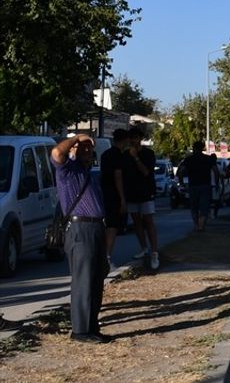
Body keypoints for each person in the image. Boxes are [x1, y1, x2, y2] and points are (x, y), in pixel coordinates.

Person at [50, 133, 111, 343]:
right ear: (74, 149)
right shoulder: (67, 170)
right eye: (82, 147)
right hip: (79, 228)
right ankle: (80, 330)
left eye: (90, 148)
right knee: (83, 281)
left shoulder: (89, 174)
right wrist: (77, 137)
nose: (87, 150)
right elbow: (57, 152)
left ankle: (91, 326)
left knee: (96, 280)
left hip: (95, 228)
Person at [119, 127, 160, 270]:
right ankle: (144, 248)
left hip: (146, 192)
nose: (133, 141)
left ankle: (154, 252)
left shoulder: (148, 153)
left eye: (135, 138)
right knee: (136, 222)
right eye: (131, 138)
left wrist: (136, 157)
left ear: (140, 139)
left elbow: (146, 172)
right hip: (131, 193)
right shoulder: (124, 156)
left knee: (148, 221)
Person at [98, 129, 130, 269]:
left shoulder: (105, 154)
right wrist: (122, 198)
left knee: (108, 226)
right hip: (114, 194)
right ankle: (107, 257)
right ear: (124, 140)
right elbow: (118, 176)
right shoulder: (118, 156)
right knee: (112, 227)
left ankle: (104, 255)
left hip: (105, 192)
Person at [177, 141, 219, 232]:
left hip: (193, 186)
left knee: (194, 206)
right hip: (205, 185)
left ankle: (196, 225)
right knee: (204, 206)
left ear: (193, 148)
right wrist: (216, 182)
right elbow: (215, 171)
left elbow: (181, 171)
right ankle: (201, 226)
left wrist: (181, 183)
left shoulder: (189, 159)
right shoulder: (208, 159)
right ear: (203, 148)